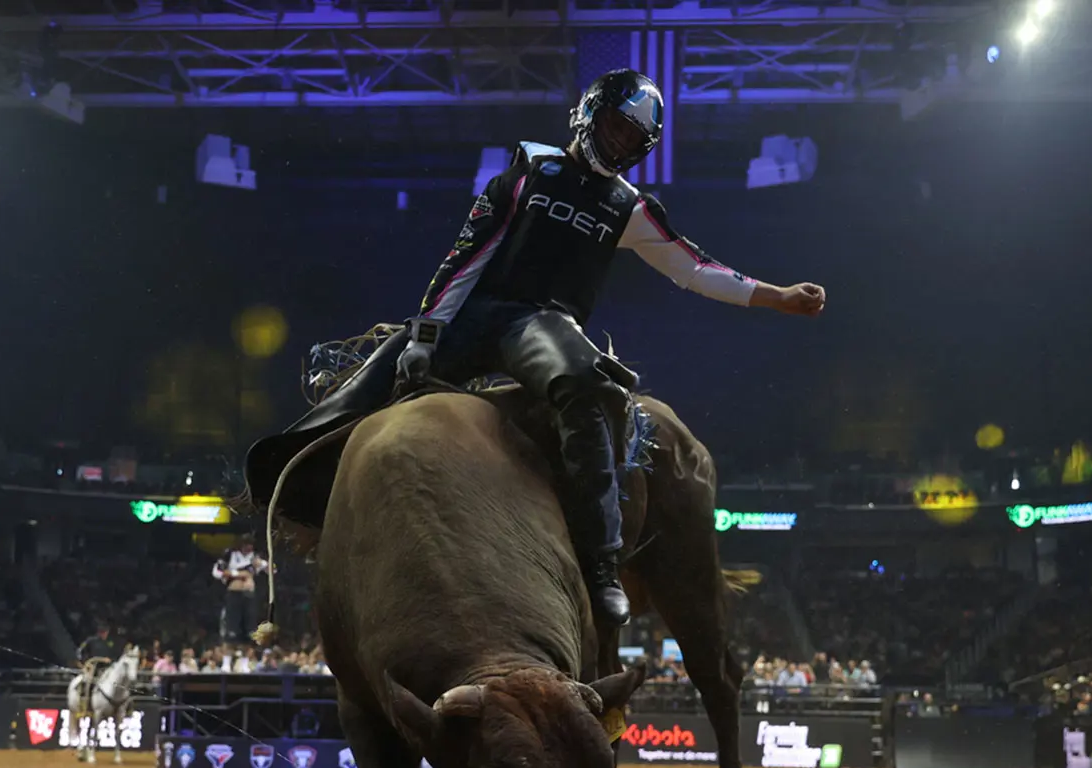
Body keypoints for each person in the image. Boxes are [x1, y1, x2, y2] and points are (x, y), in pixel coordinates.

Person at [244, 69, 825, 627]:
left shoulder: (630, 206)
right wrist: (424, 334)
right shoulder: (530, 169)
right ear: (589, 116)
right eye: (616, 127)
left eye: (634, 138)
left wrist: (776, 297)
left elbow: (694, 269)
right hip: (477, 312)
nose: (621, 143)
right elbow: (466, 256)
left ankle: (600, 562)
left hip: (542, 325)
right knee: (381, 368)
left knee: (584, 387)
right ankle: (287, 480)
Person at [213, 538, 265, 642]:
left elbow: (273, 569)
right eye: (246, 544)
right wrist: (236, 574)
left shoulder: (256, 557)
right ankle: (232, 632)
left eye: (250, 545)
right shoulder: (229, 555)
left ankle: (250, 632)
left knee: (250, 617)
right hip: (233, 591)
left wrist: (265, 565)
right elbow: (217, 572)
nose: (248, 547)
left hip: (249, 592)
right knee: (232, 618)